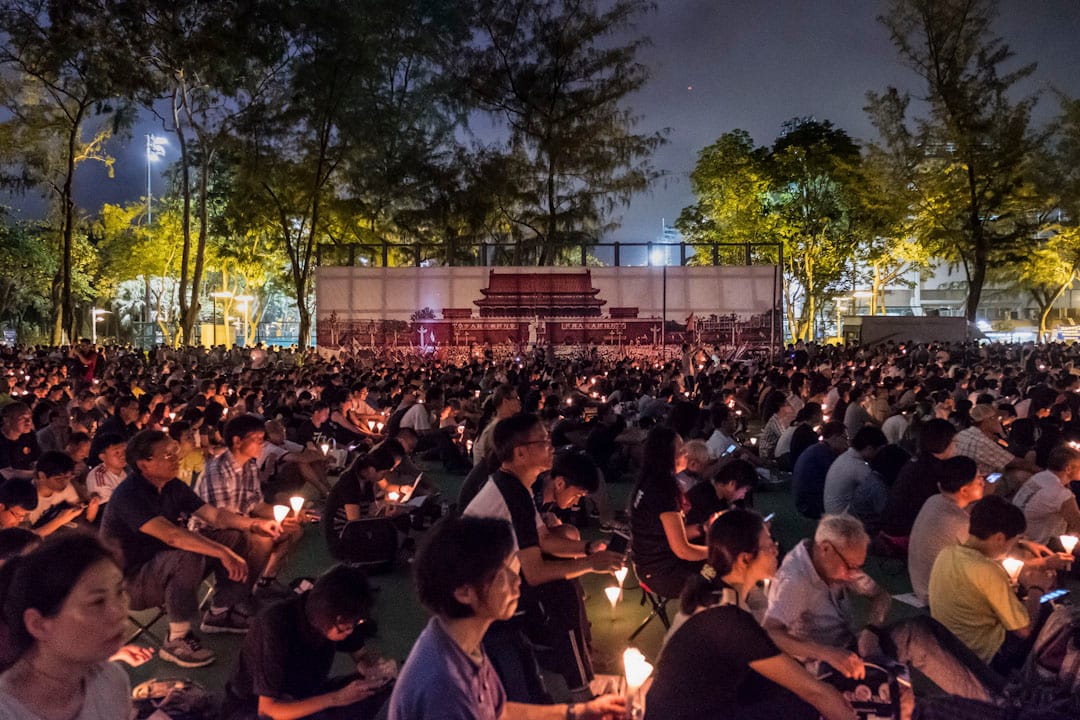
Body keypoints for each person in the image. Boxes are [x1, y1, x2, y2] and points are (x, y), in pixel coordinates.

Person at [388, 516, 627, 720]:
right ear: (464, 591)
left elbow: (498, 711)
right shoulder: (444, 688)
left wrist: (576, 712)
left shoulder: (459, 640)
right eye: (503, 574)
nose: (517, 581)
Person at [463, 413, 621, 701]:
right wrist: (589, 565)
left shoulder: (513, 486)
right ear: (520, 452)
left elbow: (544, 539)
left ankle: (566, 661)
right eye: (544, 441)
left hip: (490, 579)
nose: (551, 447)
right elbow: (535, 572)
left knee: (566, 579)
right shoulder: (512, 494)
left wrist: (588, 549)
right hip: (478, 595)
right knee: (561, 590)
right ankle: (580, 686)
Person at [765, 514, 1001, 702]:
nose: (852, 573)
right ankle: (998, 706)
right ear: (826, 548)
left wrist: (870, 629)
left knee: (921, 625)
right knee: (914, 640)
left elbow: (880, 596)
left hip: (852, 650)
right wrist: (826, 653)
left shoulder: (831, 562)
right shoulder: (795, 580)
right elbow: (770, 634)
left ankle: (1001, 691)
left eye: (857, 566)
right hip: (825, 668)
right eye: (849, 566)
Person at [646, 509, 855, 720]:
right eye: (769, 544)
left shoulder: (712, 587)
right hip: (691, 713)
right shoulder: (727, 619)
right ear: (745, 559)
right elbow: (817, 693)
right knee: (804, 704)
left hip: (692, 702)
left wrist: (824, 654)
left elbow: (763, 644)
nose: (776, 549)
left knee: (788, 689)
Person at [101, 429, 279, 668]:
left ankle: (223, 610)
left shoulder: (173, 486)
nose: (176, 457)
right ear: (144, 465)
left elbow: (214, 516)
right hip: (129, 582)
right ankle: (177, 639)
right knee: (188, 552)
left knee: (239, 537)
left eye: (174, 451)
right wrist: (222, 553)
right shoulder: (128, 495)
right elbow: (172, 536)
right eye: (167, 455)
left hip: (164, 564)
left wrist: (255, 524)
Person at [222, 564, 395, 720]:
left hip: (307, 693)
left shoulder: (335, 616)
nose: (354, 628)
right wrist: (336, 698)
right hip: (254, 708)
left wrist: (369, 670)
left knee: (378, 691)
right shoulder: (275, 625)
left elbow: (360, 655)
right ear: (338, 619)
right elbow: (267, 711)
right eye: (352, 625)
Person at [0, 533, 132, 719]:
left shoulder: (112, 681)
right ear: (38, 625)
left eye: (120, 592)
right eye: (97, 602)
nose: (119, 612)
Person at [195, 413, 305, 607]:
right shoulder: (217, 470)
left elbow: (257, 505)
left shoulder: (250, 468)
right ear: (237, 441)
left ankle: (264, 582)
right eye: (258, 439)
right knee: (260, 539)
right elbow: (221, 519)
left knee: (291, 530)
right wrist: (257, 525)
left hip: (239, 525)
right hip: (209, 532)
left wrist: (287, 515)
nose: (262, 444)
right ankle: (228, 603)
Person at [928, 496, 1043, 673]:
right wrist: (1036, 589)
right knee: (1048, 616)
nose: (1011, 548)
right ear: (999, 538)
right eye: (1013, 542)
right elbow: (1024, 630)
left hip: (948, 645)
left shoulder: (947, 553)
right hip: (985, 654)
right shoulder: (987, 569)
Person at [630, 425, 709, 599]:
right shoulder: (662, 491)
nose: (686, 454)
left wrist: (703, 528)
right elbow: (682, 550)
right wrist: (716, 552)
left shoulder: (650, 482)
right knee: (721, 568)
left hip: (649, 564)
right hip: (663, 573)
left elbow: (666, 534)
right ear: (666, 456)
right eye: (681, 450)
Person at [908, 456, 985, 603]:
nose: (983, 482)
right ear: (964, 490)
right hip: (938, 597)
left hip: (920, 585)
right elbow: (986, 554)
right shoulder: (959, 523)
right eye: (978, 478)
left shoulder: (933, 501)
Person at [880, 418, 957, 539]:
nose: (955, 446)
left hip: (891, 527)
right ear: (944, 442)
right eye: (954, 441)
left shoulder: (919, 460)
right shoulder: (935, 470)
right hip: (905, 535)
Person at [1010, 443, 1080, 545]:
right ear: (1068, 469)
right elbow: (1077, 524)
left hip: (1015, 535)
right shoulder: (1061, 494)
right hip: (1036, 546)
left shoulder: (1038, 477)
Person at [823, 426, 887, 515]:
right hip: (842, 520)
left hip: (832, 516)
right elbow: (877, 489)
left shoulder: (845, 458)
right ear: (869, 448)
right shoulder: (858, 467)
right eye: (880, 451)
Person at [791, 422, 848, 520]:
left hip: (803, 501)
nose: (847, 444)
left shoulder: (817, 449)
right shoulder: (824, 454)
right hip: (812, 505)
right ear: (835, 437)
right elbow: (837, 482)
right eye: (844, 438)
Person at [685, 458, 755, 526]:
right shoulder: (703, 498)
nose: (743, 496)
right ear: (732, 484)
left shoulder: (717, 497)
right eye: (745, 490)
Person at [85, 432, 128, 504]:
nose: (123, 456)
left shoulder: (125, 471)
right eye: (117, 453)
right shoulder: (99, 477)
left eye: (124, 451)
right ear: (103, 457)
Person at [0, 402, 39, 480]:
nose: (28, 422)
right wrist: (38, 475)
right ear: (7, 420)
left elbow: (35, 460)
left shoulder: (29, 435)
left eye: (30, 418)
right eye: (23, 418)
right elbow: (7, 473)